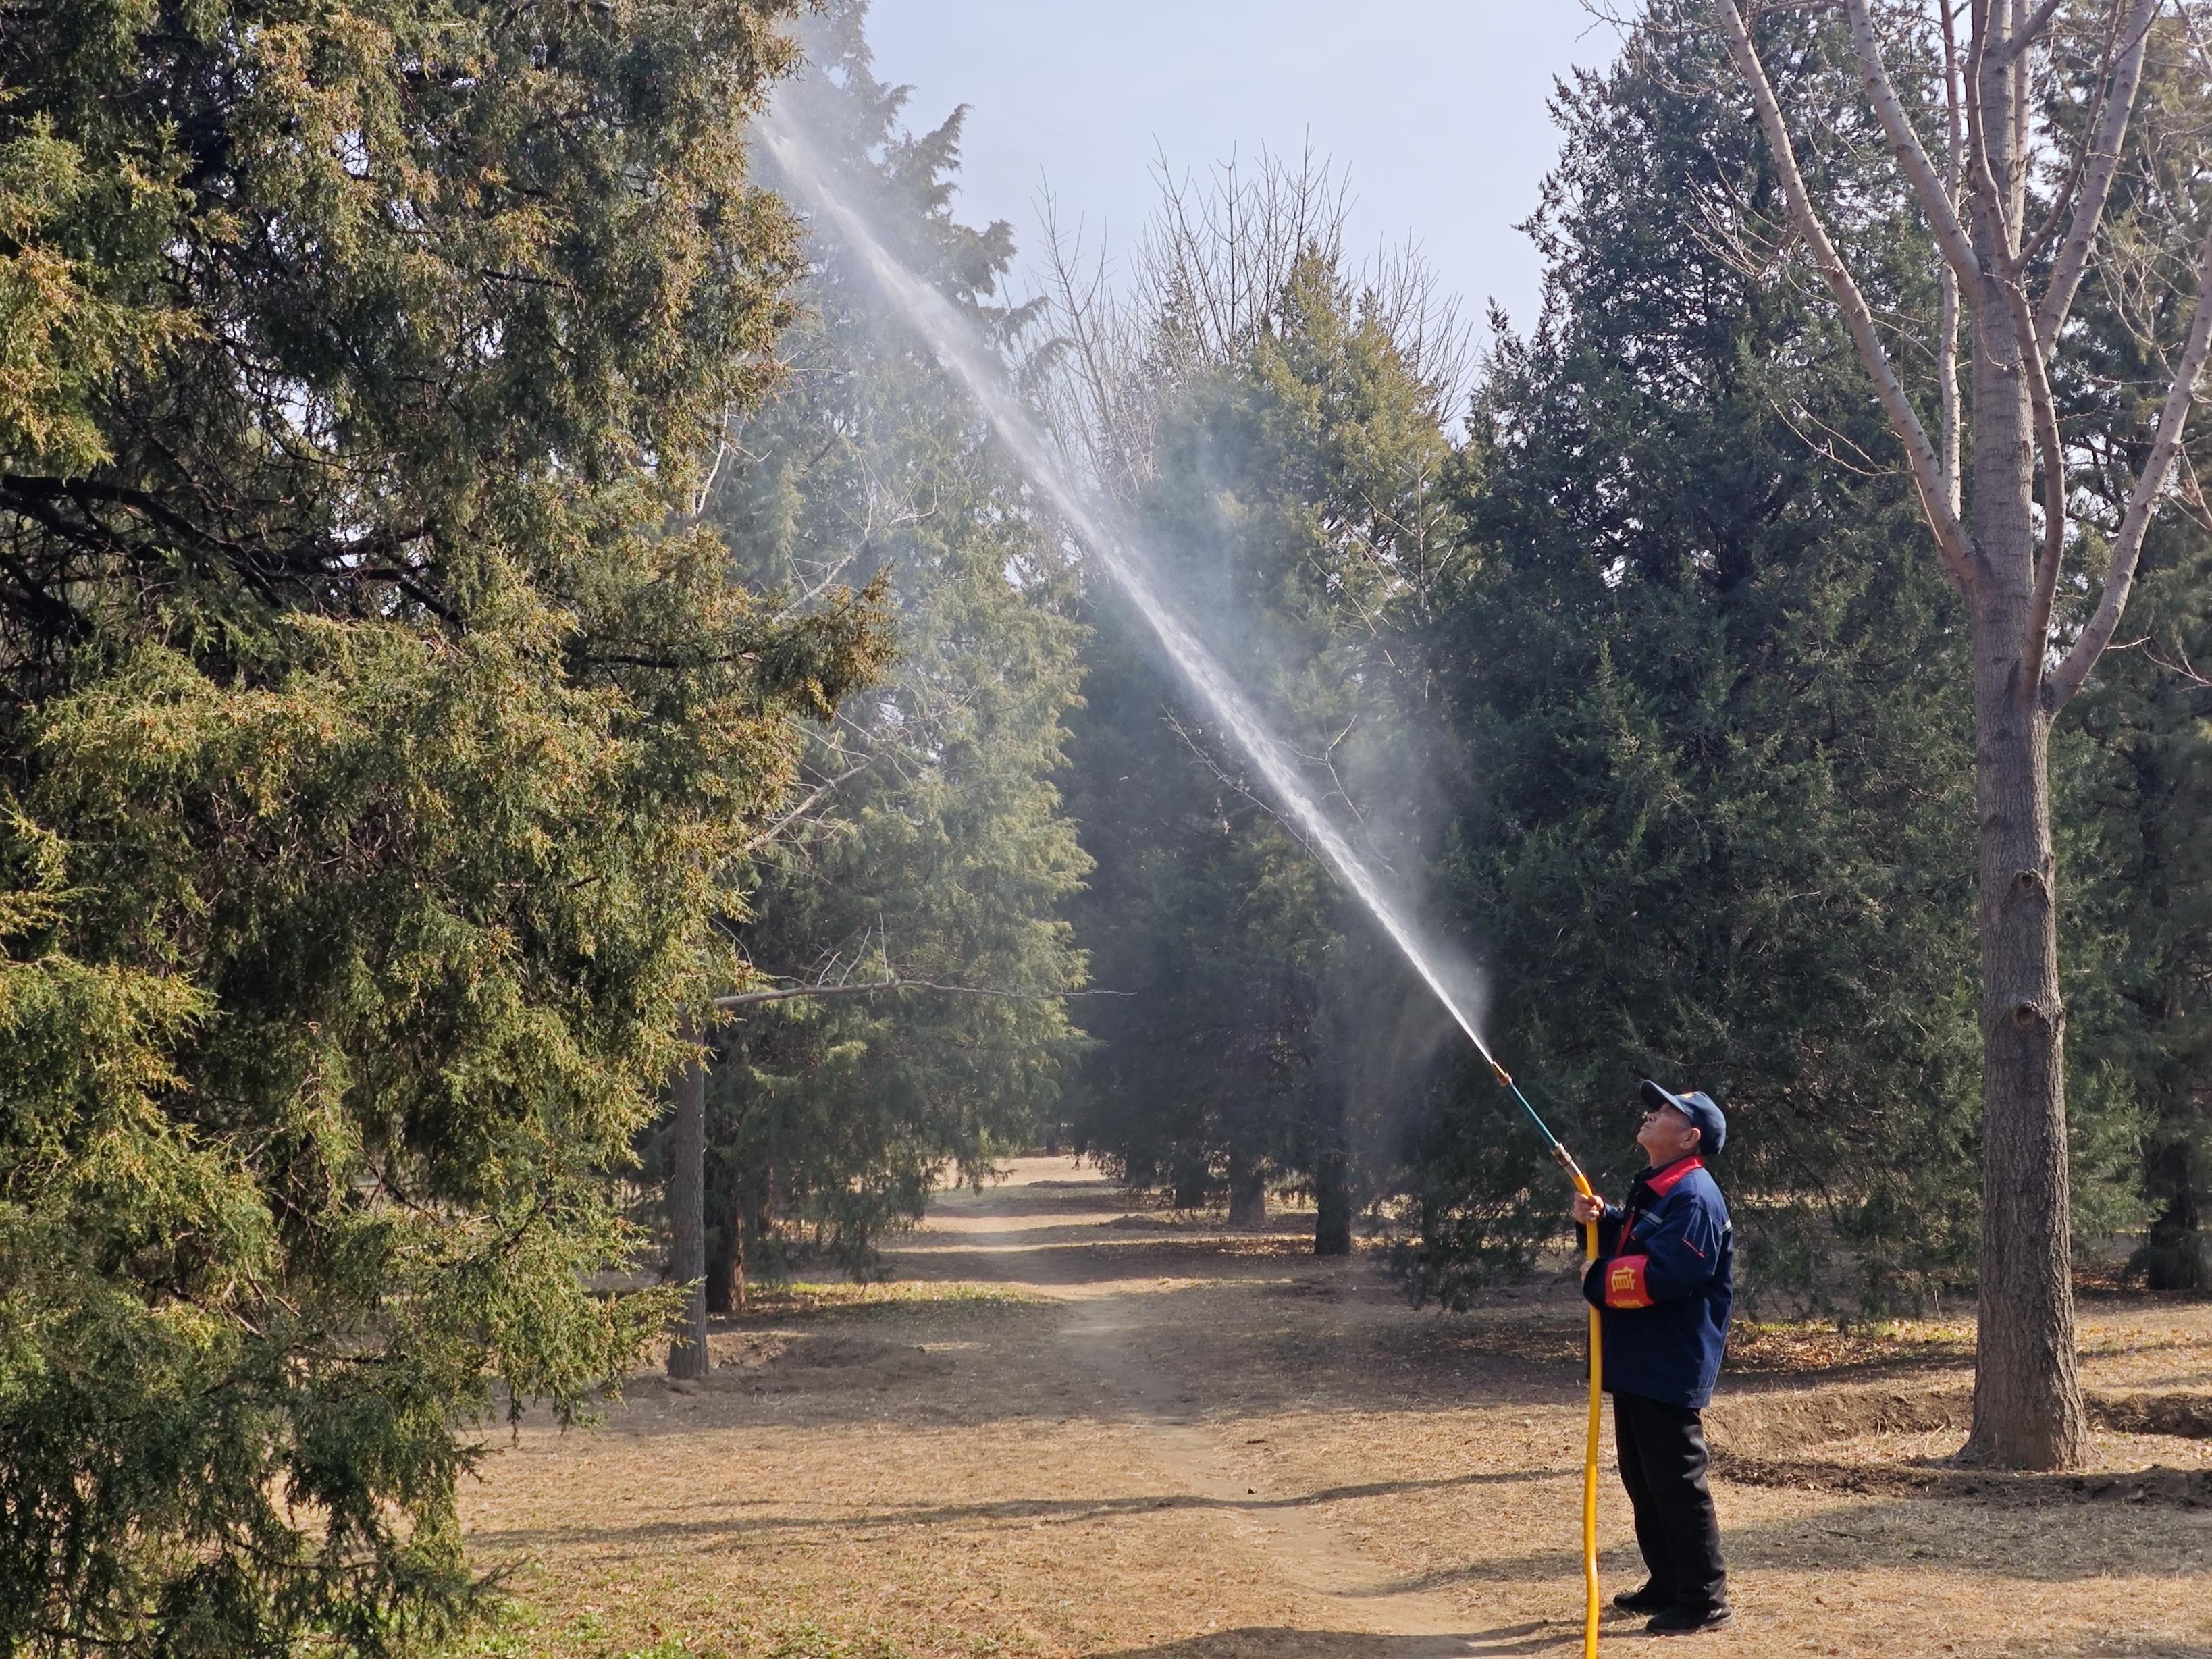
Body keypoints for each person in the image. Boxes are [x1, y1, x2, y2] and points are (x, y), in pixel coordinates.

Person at [1569, 1079, 1735, 1636]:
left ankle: (1705, 1599)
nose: (1651, 1113)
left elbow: (1667, 1274)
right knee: (1644, 1478)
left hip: (1669, 1359)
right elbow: (1637, 1245)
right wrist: (1601, 1221)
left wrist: (1596, 1281)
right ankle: (1667, 1581)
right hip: (1639, 1358)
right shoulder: (1661, 1188)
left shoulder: (1695, 1196)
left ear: (1689, 1136)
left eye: (1666, 1110)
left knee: (1678, 1481)